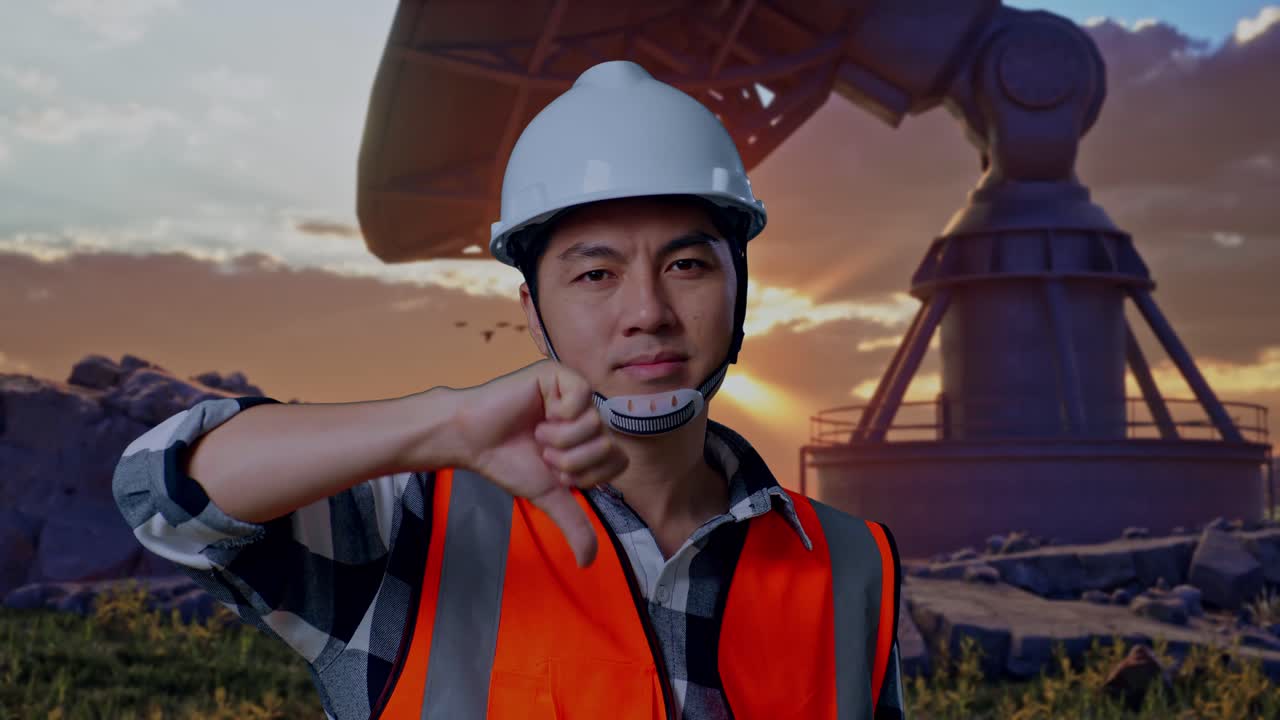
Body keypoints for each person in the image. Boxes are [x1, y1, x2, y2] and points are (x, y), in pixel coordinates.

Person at [112, 60, 906, 720]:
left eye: (687, 265)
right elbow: (165, 496)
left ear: (742, 287)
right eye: (596, 274)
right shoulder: (409, 528)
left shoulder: (849, 563)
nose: (648, 313)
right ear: (532, 314)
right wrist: (443, 420)